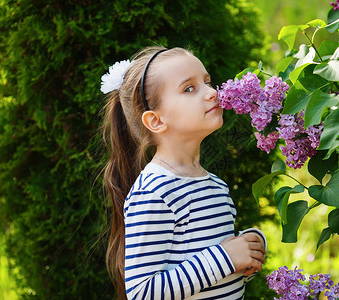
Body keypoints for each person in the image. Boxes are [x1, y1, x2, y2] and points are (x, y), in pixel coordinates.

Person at [101, 46, 267, 300]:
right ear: (156, 121)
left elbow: (214, 273)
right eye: (189, 88)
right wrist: (226, 258)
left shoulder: (216, 186)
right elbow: (142, 292)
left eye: (208, 82)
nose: (212, 93)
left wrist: (247, 247)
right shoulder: (154, 191)